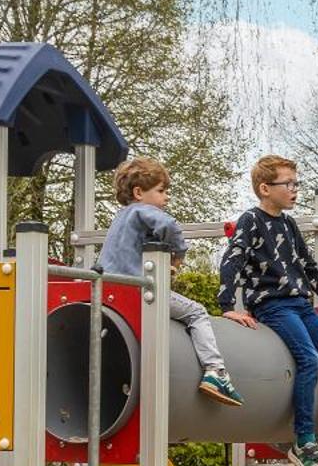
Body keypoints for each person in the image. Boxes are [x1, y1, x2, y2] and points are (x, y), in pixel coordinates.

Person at [219, 154, 318, 466]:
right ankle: (303, 441)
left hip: (301, 304)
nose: (294, 189)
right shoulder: (251, 221)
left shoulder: (288, 224)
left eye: (296, 183)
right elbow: (231, 261)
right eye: (288, 184)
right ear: (265, 188)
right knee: (309, 359)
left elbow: (309, 266)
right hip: (272, 305)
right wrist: (228, 305)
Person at [103, 157, 241, 407]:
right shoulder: (143, 210)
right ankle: (215, 371)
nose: (166, 197)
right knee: (197, 312)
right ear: (138, 192)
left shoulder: (120, 220)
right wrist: (177, 256)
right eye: (161, 191)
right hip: (138, 292)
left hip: (111, 293)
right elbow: (170, 225)